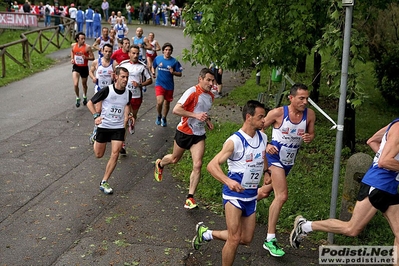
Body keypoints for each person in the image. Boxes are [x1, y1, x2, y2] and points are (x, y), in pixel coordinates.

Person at [290, 118, 399, 265]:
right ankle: (304, 226)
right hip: (378, 184)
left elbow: (372, 141)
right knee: (351, 229)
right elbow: (384, 161)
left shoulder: (394, 124)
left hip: (389, 185)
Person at [191, 100, 269, 266]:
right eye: (261, 117)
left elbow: (261, 157)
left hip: (251, 195)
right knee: (234, 238)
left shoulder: (263, 137)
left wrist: (267, 172)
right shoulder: (235, 141)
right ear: (249, 117)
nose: (264, 120)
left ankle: (206, 234)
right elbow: (212, 166)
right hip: (234, 195)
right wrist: (228, 181)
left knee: (246, 239)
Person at [257, 83, 316, 257]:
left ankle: (240, 202)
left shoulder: (309, 115)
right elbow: (257, 129)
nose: (305, 102)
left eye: (307, 98)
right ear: (291, 98)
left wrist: (309, 137)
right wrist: (266, 145)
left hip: (289, 160)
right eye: (301, 98)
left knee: (265, 192)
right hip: (274, 157)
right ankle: (270, 239)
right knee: (281, 196)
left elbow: (312, 133)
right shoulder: (278, 113)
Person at [154, 68, 215, 209]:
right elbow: (176, 110)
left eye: (213, 80)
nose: (211, 83)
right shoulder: (192, 92)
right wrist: (195, 116)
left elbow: (202, 113)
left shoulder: (211, 96)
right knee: (175, 159)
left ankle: (190, 198)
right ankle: (160, 164)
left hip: (198, 134)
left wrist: (207, 120)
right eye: (208, 80)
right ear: (200, 79)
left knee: (198, 164)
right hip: (184, 132)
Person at [86, 67, 134, 195]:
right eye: (123, 77)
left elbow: (127, 105)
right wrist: (96, 116)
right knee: (98, 154)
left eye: (127, 77)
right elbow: (90, 103)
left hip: (117, 127)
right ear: (116, 77)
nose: (125, 79)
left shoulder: (128, 93)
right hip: (104, 125)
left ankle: (104, 182)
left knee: (115, 153)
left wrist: (130, 115)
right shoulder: (107, 90)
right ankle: (95, 134)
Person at [118, 45, 152, 153]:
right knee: (125, 118)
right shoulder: (123, 64)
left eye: (137, 53)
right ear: (129, 54)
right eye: (133, 53)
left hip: (136, 96)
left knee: (133, 116)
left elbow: (150, 80)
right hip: (124, 96)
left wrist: (140, 84)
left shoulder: (142, 66)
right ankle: (122, 144)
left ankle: (132, 124)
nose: (135, 55)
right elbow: (116, 76)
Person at [88, 43, 115, 145]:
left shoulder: (114, 63)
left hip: (109, 91)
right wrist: (93, 78)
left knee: (107, 111)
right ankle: (96, 131)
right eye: (106, 51)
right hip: (99, 90)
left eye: (109, 52)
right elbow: (90, 71)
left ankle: (106, 130)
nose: (107, 53)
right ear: (102, 51)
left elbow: (118, 76)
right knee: (98, 110)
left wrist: (114, 77)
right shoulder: (97, 62)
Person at [152, 42, 182, 127]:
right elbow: (153, 66)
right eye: (166, 50)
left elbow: (180, 73)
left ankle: (164, 118)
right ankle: (159, 115)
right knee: (159, 102)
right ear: (163, 51)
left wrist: (174, 72)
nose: (167, 51)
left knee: (167, 103)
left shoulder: (174, 61)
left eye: (169, 50)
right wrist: (153, 72)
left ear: (171, 51)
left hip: (169, 86)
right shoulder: (158, 59)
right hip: (159, 84)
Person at [70, 32, 94, 108]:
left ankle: (85, 95)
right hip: (76, 67)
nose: (83, 40)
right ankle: (77, 97)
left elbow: (92, 57)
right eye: (82, 39)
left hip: (84, 67)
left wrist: (86, 58)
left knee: (84, 84)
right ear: (77, 39)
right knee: (75, 84)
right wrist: (72, 59)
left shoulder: (87, 47)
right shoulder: (73, 45)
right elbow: (72, 51)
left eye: (84, 39)